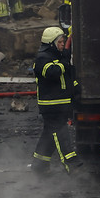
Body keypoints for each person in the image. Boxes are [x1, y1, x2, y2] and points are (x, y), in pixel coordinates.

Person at [31, 26, 81, 175]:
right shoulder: (42, 58)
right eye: (60, 42)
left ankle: (39, 165)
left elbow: (68, 78)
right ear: (51, 43)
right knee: (60, 133)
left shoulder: (59, 57)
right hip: (51, 106)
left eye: (63, 42)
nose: (62, 45)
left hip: (62, 105)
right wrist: (65, 61)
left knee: (49, 134)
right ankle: (71, 164)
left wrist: (77, 91)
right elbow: (53, 72)